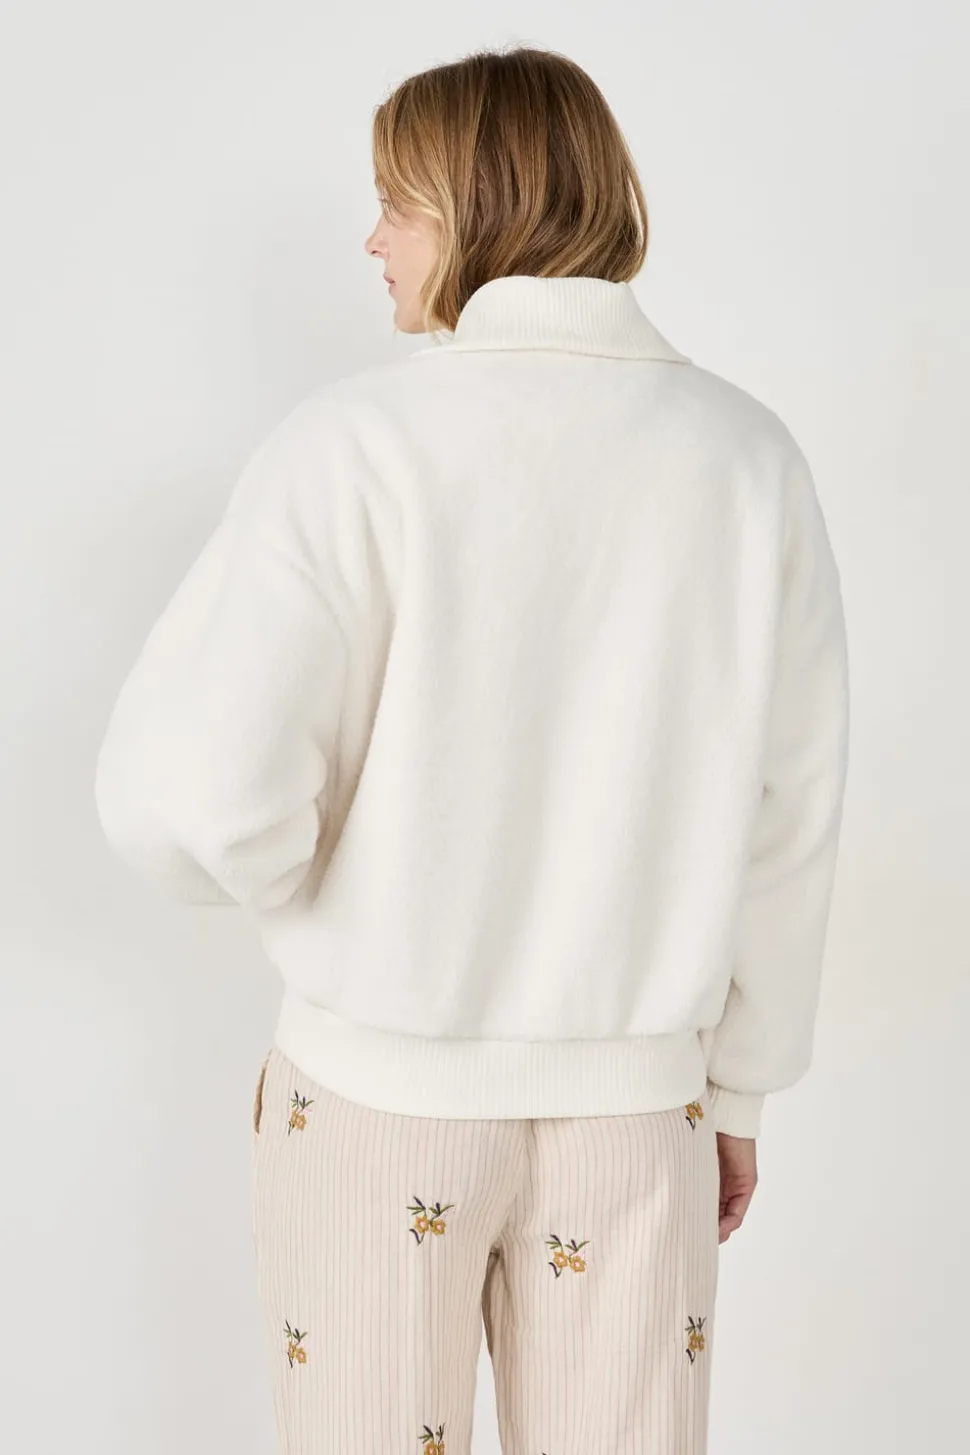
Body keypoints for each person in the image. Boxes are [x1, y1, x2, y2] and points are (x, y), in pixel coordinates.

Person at [93, 44, 850, 1455]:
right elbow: (788, 814)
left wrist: (329, 894)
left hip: (375, 1105)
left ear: (478, 203)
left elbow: (191, 795)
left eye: (397, 201)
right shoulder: (749, 463)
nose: (372, 240)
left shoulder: (354, 448)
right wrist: (738, 1084)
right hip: (641, 1117)